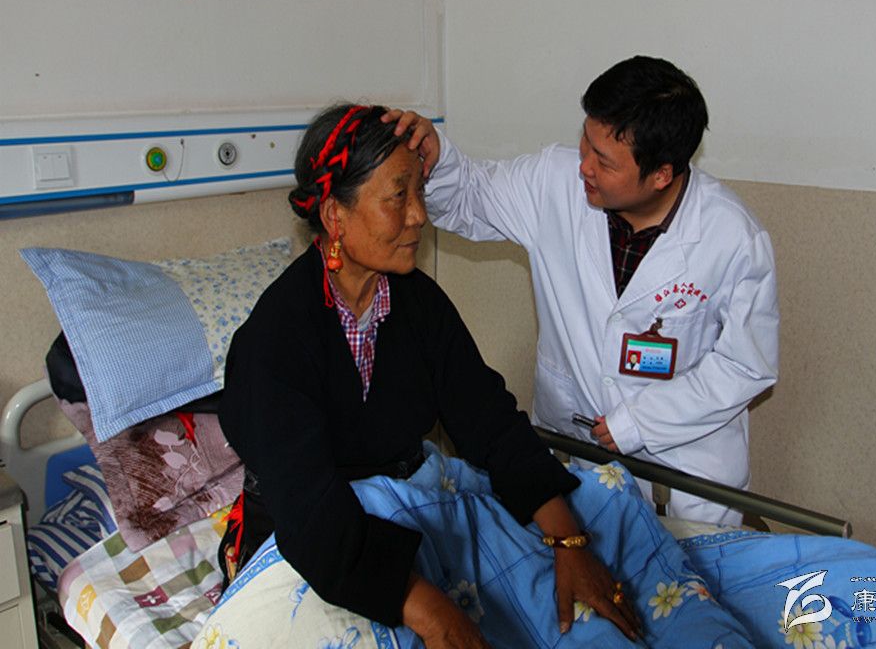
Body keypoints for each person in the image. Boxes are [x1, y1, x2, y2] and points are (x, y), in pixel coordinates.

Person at [216, 104, 642, 649]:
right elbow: (310, 513)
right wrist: (433, 612)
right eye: (399, 196)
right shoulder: (276, 339)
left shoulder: (417, 303)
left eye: (419, 191)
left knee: (592, 570)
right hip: (315, 546)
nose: (419, 215)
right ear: (334, 216)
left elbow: (488, 420)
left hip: (405, 512)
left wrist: (569, 541)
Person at [413, 56, 780, 526]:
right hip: (577, 450)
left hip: (684, 470)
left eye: (604, 161)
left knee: (684, 569)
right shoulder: (554, 183)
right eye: (586, 142)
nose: (584, 166)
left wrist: (641, 422)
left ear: (661, 174)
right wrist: (435, 157)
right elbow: (468, 196)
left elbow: (747, 365)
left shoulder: (733, 238)